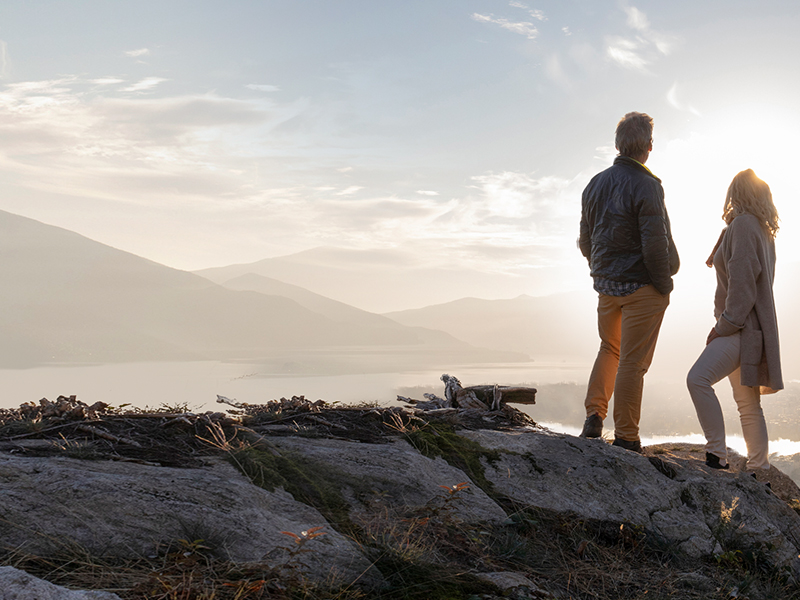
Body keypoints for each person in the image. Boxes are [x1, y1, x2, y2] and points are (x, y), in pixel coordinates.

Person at [578, 111, 680, 452]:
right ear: (649, 146)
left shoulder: (594, 183)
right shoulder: (648, 185)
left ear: (618, 144)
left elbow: (586, 240)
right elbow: (655, 244)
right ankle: (626, 438)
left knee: (609, 348)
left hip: (606, 287)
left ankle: (594, 416)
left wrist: (601, 269)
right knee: (632, 363)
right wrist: (663, 286)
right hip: (641, 287)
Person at [687, 169, 782, 471]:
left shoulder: (742, 226)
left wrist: (723, 326)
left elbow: (742, 288)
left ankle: (716, 454)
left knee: (697, 379)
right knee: (749, 405)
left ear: (736, 194)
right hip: (755, 330)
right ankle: (759, 470)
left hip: (739, 327)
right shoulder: (762, 231)